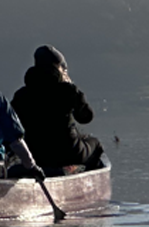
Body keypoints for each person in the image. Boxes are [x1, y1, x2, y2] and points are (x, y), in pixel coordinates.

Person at [10, 46, 105, 175]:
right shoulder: (69, 90)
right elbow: (86, 118)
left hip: (36, 155)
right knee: (95, 144)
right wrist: (74, 91)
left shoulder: (21, 95)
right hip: (69, 153)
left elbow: (12, 126)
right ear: (59, 67)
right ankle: (83, 178)